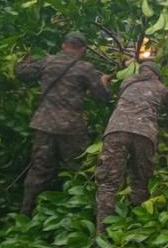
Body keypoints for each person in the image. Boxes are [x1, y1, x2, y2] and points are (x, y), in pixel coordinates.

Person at [15, 31, 112, 216]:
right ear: (83, 49)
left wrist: (24, 60)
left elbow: (21, 72)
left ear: (63, 45)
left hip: (44, 124)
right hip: (71, 127)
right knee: (75, 170)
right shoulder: (85, 68)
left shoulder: (46, 61)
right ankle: (73, 215)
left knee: (39, 170)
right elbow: (102, 97)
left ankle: (26, 213)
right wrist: (104, 82)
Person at [95, 61, 168, 235]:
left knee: (108, 184)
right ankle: (138, 228)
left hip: (116, 131)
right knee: (140, 182)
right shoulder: (161, 88)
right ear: (157, 75)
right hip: (144, 135)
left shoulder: (126, 83)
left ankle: (101, 234)